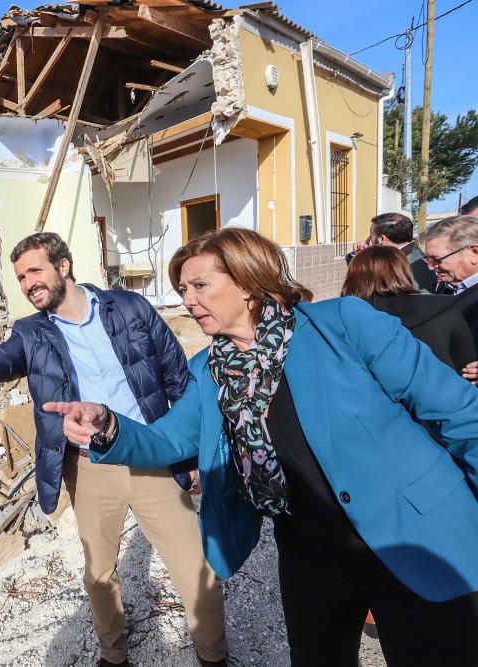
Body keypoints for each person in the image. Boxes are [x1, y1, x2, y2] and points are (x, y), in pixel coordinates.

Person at [44, 228, 478, 666]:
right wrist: (107, 425)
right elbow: (168, 438)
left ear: (248, 282)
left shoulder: (345, 323)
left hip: (412, 534)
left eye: (199, 286)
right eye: (181, 290)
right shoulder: (209, 369)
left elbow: (458, 411)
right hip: (309, 554)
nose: (187, 300)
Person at [0, 232, 228, 667]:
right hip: (91, 465)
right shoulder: (31, 333)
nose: (27, 284)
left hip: (152, 454)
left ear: (63, 267)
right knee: (99, 575)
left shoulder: (130, 308)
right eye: (21, 277)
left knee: (195, 567)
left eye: (35, 271)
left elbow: (179, 381)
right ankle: (113, 656)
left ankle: (213, 657)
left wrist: (191, 458)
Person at [341, 245, 475, 370]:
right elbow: (466, 364)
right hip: (438, 390)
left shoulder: (344, 316)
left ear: (353, 276)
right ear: (403, 272)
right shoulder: (444, 308)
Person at [420, 215, 478, 385]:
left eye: (436, 259)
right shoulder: (447, 287)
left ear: (474, 253)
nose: (430, 267)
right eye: (427, 259)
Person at [345, 212, 436, 292]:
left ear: (382, 239)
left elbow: (363, 284)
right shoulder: (413, 255)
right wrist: (359, 255)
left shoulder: (410, 264)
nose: (368, 240)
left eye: (371, 236)